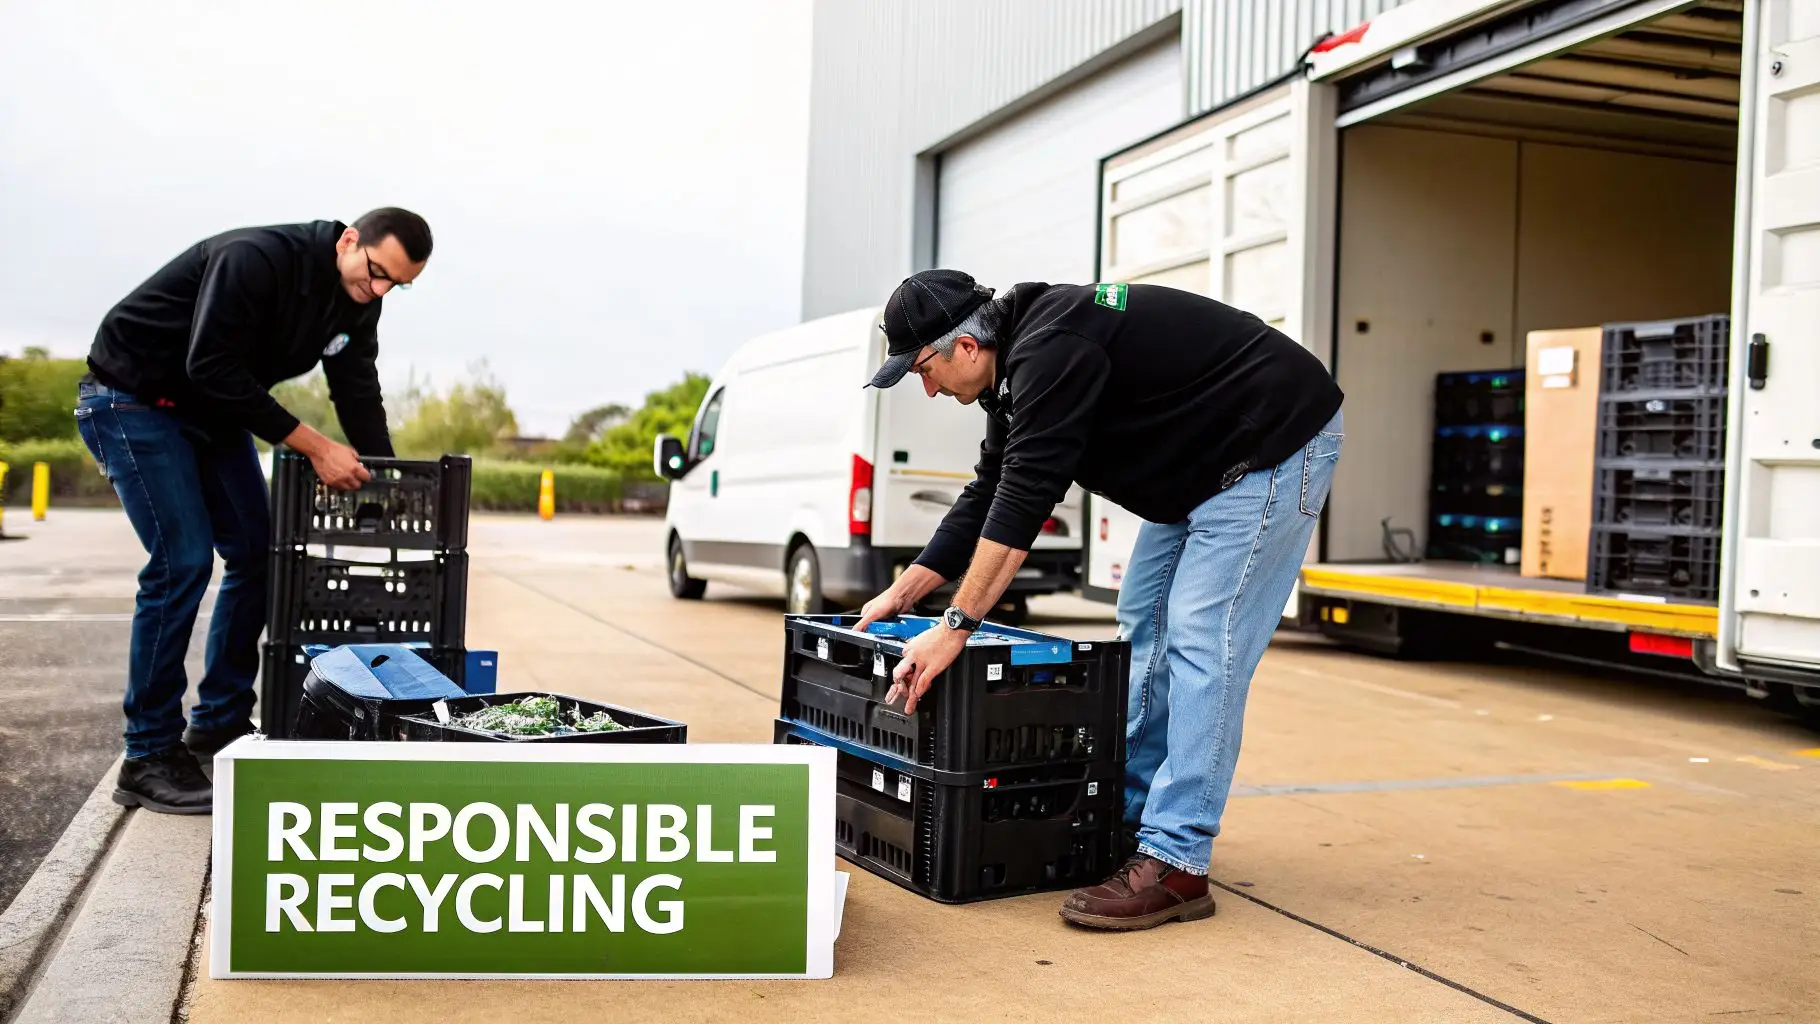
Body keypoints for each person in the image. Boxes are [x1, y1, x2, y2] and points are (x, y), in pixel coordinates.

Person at [856, 268, 1343, 931]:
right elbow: (990, 486)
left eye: (923, 370)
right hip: (1198, 471)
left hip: (1269, 446)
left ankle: (1178, 860)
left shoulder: (1055, 348)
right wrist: (903, 588)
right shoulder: (1014, 374)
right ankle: (1131, 821)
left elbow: (1026, 499)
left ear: (965, 347)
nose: (930, 387)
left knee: (1204, 640)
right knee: (1142, 625)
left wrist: (955, 625)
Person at [76, 208, 432, 815]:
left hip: (210, 412)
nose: (378, 292)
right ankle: (147, 756)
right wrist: (318, 448)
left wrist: (384, 479)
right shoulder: (256, 259)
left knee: (259, 556)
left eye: (394, 286)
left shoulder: (358, 302)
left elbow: (356, 385)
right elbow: (209, 365)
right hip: (133, 399)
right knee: (181, 561)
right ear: (349, 241)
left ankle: (217, 724)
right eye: (376, 273)